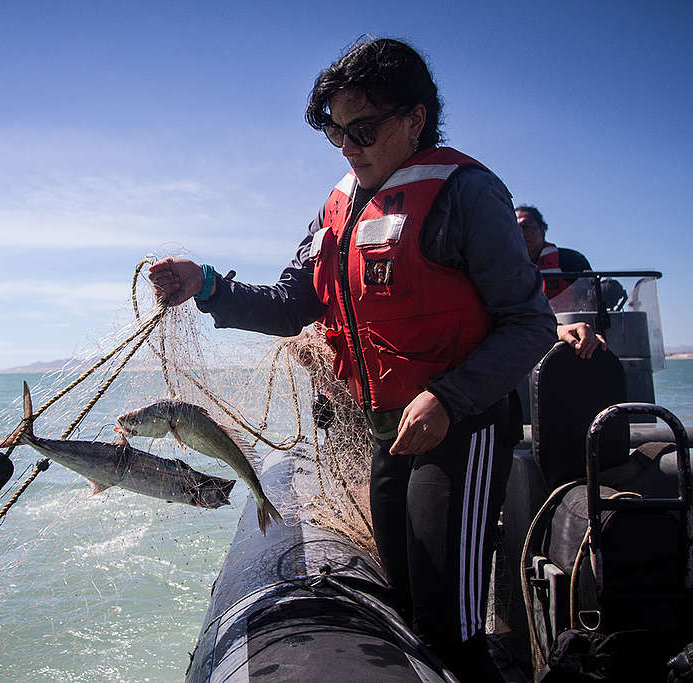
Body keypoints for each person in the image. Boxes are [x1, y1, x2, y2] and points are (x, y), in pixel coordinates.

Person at [149, 38, 557, 681]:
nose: (347, 146)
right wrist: (206, 286)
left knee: (449, 631)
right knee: (405, 608)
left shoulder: (466, 194)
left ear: (416, 118)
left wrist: (449, 398)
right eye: (336, 132)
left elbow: (531, 324)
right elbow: (292, 304)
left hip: (461, 433)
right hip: (382, 435)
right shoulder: (337, 206)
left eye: (362, 129)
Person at [516, 205, 606, 359]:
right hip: (526, 341)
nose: (520, 232)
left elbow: (593, 302)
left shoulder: (571, 261)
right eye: (515, 227)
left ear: (542, 229)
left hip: (574, 338)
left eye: (526, 226)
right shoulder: (503, 270)